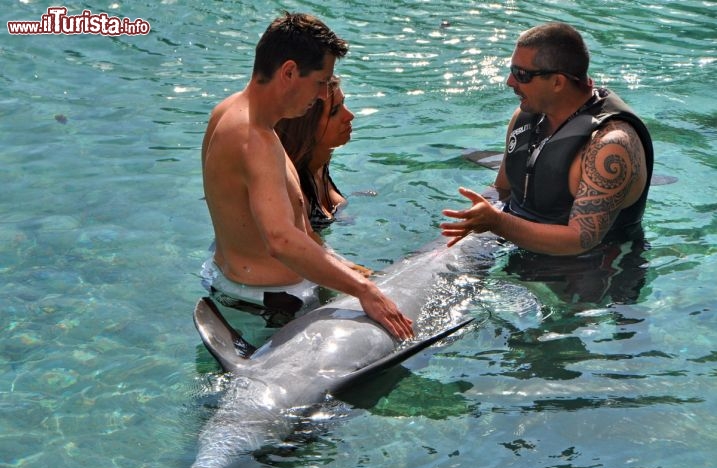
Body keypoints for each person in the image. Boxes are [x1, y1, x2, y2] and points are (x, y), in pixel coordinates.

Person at [200, 12, 413, 341]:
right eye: (320, 82)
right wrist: (363, 289)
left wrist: (346, 269)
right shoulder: (252, 137)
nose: (319, 95)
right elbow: (281, 240)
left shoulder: (228, 111)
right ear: (288, 72)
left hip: (241, 293)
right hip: (268, 309)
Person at [441, 22, 654, 256]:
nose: (510, 82)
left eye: (521, 75)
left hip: (594, 270)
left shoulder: (609, 145)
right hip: (518, 244)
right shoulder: (525, 117)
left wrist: (499, 223)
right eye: (512, 71)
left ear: (557, 82)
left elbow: (581, 239)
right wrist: (476, 217)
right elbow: (503, 189)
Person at [275, 76, 352, 233]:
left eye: (343, 104)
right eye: (335, 111)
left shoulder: (319, 163)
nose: (350, 116)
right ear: (307, 126)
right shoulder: (291, 187)